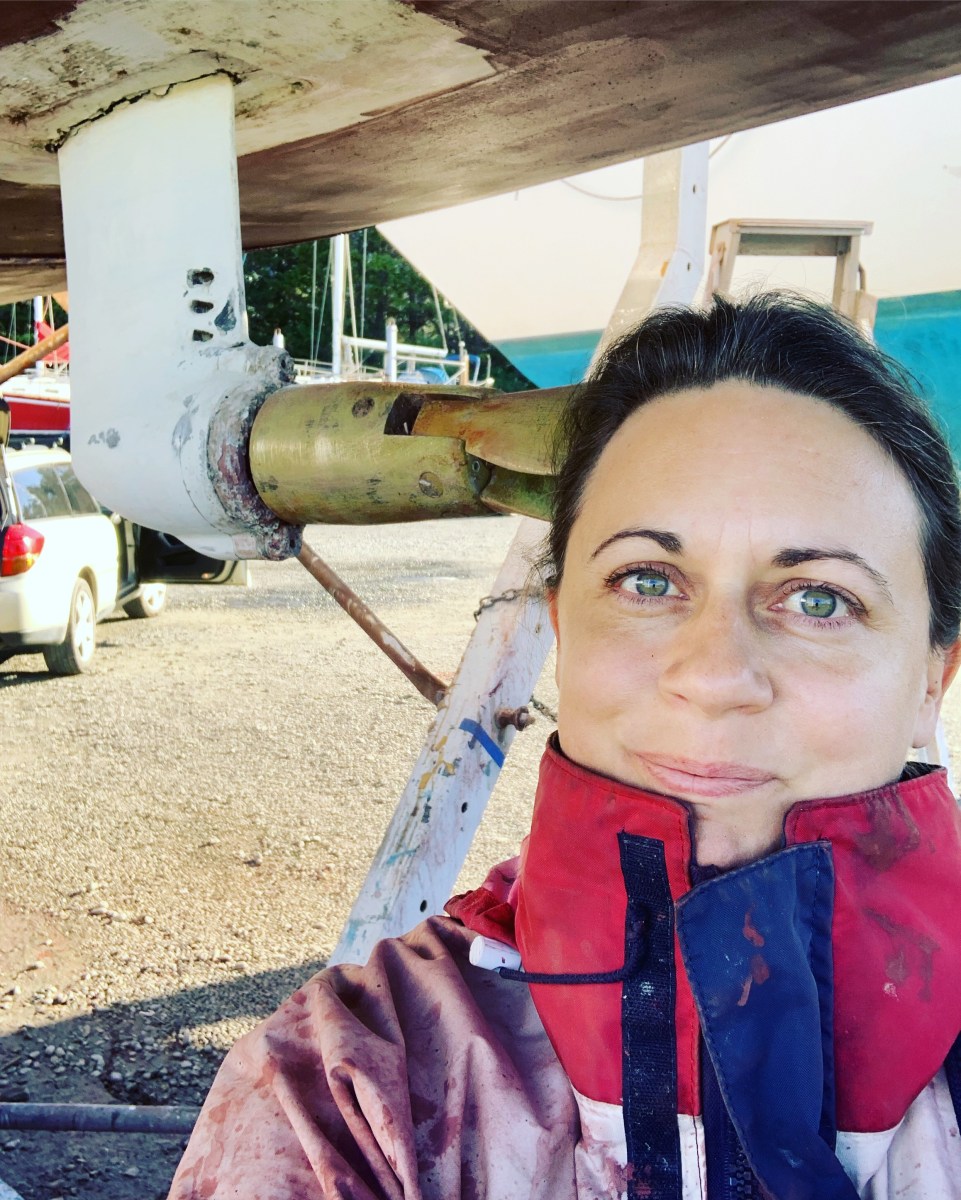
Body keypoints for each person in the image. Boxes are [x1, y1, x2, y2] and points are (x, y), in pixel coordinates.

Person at [168, 294, 961, 1200]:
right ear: (562, 627)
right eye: (648, 580)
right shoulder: (345, 1093)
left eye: (818, 597)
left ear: (931, 679)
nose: (713, 675)